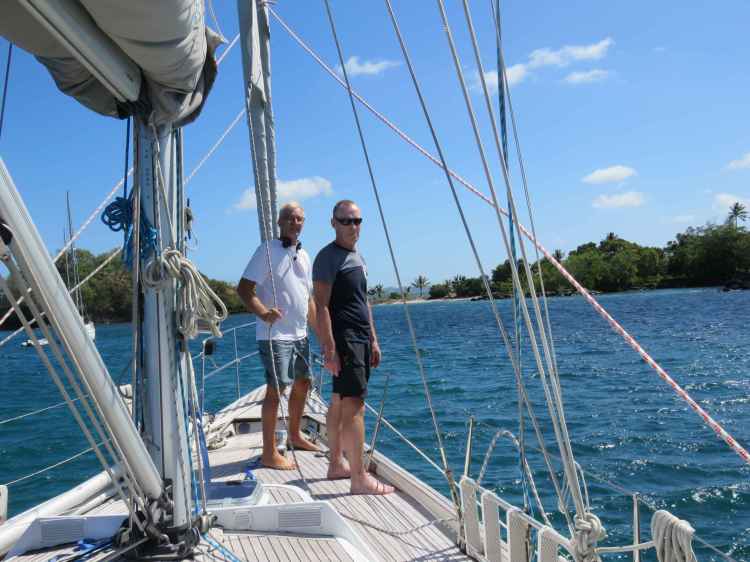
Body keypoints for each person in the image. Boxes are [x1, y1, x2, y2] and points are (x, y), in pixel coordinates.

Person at [313, 200, 395, 495]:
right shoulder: (327, 257)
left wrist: (373, 339)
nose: (352, 226)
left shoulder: (357, 257)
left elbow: (363, 302)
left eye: (357, 220)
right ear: (333, 223)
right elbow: (321, 306)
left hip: (361, 338)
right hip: (345, 340)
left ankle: (336, 463)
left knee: (338, 400)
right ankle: (359, 479)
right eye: (346, 220)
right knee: (355, 406)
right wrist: (329, 348)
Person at [237, 202, 320, 470]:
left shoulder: (304, 255)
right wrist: (264, 313)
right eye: (290, 218)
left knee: (304, 383)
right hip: (275, 336)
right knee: (277, 389)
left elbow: (308, 299)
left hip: (300, 334)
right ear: (279, 222)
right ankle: (269, 452)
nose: (296, 223)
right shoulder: (267, 250)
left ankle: (295, 435)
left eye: (300, 219)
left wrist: (322, 336)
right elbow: (244, 289)